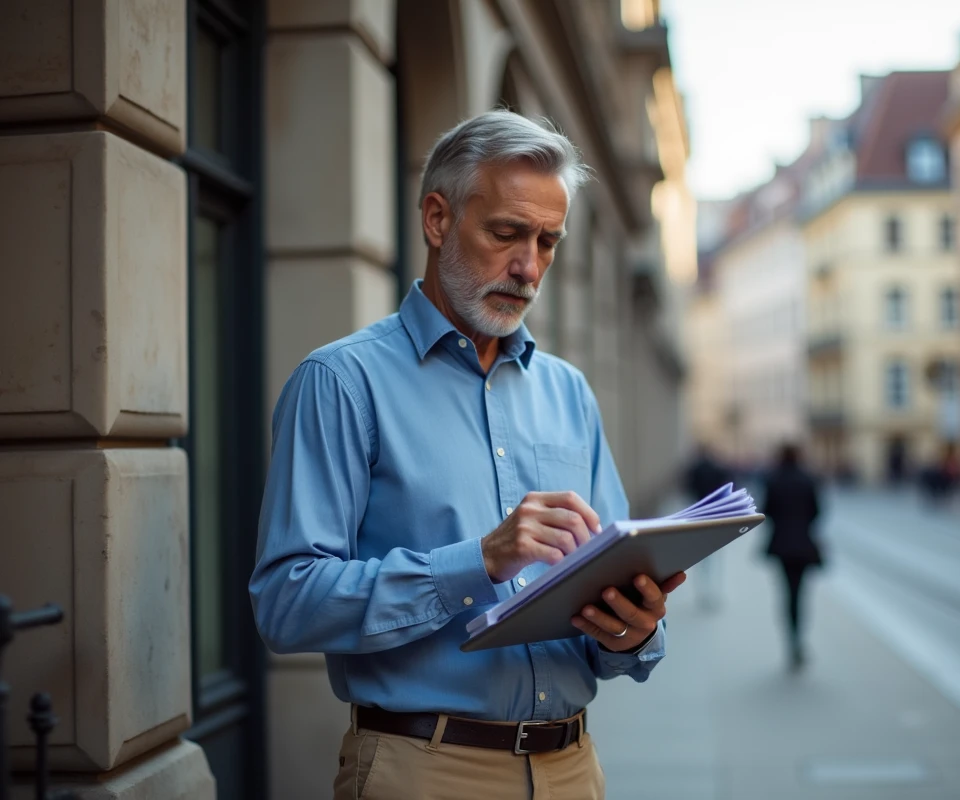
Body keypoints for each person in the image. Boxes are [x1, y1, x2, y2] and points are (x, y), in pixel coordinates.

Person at [249, 111, 685, 800]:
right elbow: (285, 602)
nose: (529, 267)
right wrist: (479, 561)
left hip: (574, 769)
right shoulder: (340, 383)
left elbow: (613, 613)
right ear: (436, 219)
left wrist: (632, 631)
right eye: (507, 234)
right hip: (423, 770)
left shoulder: (569, 392)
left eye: (548, 242)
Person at [763, 443, 823, 670]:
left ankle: (791, 641)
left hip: (781, 545)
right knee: (801, 595)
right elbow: (817, 511)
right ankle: (799, 640)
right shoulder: (808, 479)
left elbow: (766, 510)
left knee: (787, 594)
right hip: (804, 545)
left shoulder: (773, 479)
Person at [684, 445, 734, 611]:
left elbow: (687, 487)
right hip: (715, 514)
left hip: (699, 513)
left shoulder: (695, 469)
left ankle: (703, 592)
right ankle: (714, 590)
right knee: (715, 554)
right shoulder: (717, 469)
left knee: (701, 555)